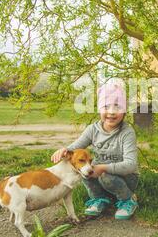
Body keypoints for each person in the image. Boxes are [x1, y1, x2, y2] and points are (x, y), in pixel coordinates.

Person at [51, 83, 139, 220]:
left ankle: (128, 199)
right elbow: (76, 147)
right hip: (100, 174)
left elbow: (131, 164)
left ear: (125, 111)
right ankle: (100, 199)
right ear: (99, 109)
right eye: (106, 107)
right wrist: (65, 150)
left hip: (126, 177)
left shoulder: (127, 132)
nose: (111, 112)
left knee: (105, 175)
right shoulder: (93, 129)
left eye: (117, 106)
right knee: (85, 170)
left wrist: (103, 167)